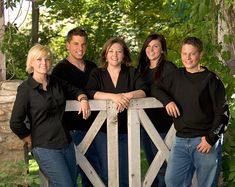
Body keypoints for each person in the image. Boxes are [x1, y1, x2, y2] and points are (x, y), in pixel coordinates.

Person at [151, 37, 229, 187]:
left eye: (192, 54)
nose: (187, 58)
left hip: (204, 141)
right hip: (180, 141)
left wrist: (211, 138)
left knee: (206, 184)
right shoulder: (176, 76)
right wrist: (168, 101)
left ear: (200, 55)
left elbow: (223, 113)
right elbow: (155, 87)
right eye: (184, 53)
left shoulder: (211, 79)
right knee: (173, 181)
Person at [10, 44, 91, 187]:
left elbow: (74, 90)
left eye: (47, 59)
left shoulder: (56, 82)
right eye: (39, 59)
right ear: (31, 62)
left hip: (66, 143)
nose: (44, 63)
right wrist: (29, 139)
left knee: (71, 183)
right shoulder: (25, 89)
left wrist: (83, 99)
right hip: (45, 147)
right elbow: (15, 122)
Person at [86, 37, 147, 187]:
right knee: (107, 173)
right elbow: (90, 92)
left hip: (128, 131)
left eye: (119, 51)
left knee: (127, 173)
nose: (114, 54)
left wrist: (128, 95)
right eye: (111, 51)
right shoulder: (97, 73)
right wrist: (114, 97)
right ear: (105, 54)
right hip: (103, 131)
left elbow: (144, 90)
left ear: (124, 55)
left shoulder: (132, 72)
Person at [52, 27, 100, 187]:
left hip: (97, 127)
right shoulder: (60, 69)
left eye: (83, 44)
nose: (80, 48)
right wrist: (82, 96)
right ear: (68, 45)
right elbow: (65, 88)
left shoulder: (92, 66)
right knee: (72, 175)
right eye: (76, 44)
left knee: (95, 175)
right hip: (73, 130)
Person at [137, 33, 177, 187]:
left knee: (163, 167)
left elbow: (176, 92)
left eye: (155, 46)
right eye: (148, 46)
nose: (151, 49)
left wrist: (167, 101)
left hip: (164, 127)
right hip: (145, 126)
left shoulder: (169, 68)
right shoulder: (142, 70)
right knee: (152, 166)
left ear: (162, 50)